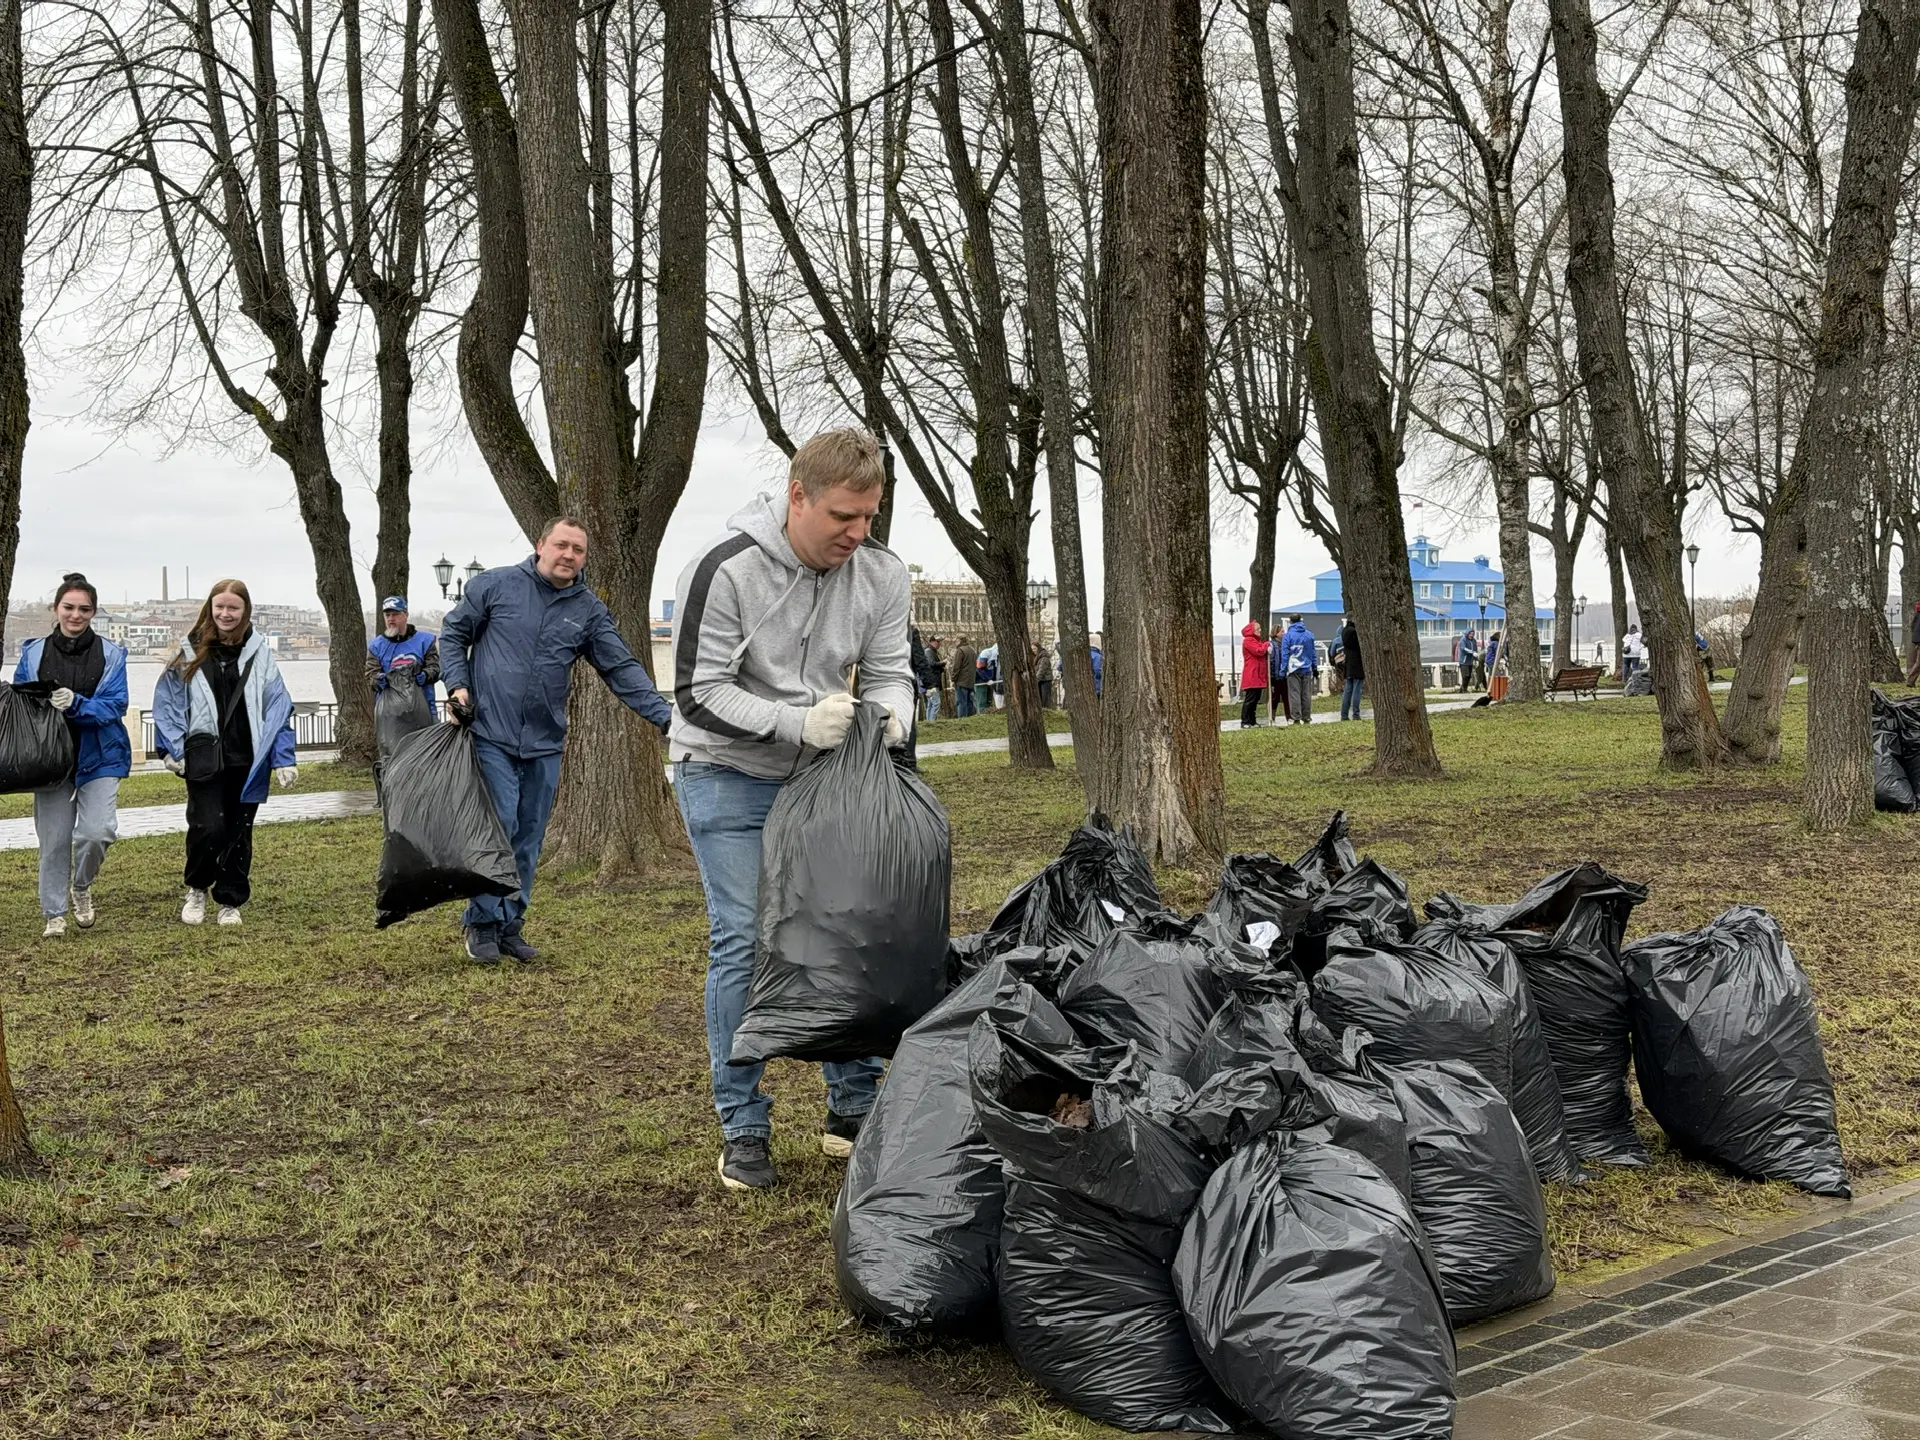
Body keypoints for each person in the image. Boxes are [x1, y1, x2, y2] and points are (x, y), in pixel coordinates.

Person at [670, 427, 913, 1193]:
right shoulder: (725, 568)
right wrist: (795, 722)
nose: (857, 532)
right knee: (748, 936)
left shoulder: (880, 574)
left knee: (843, 932)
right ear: (797, 496)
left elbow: (890, 671)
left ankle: (851, 1107)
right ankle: (743, 1125)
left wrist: (893, 714)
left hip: (825, 778)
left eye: (869, 516)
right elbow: (697, 692)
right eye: (843, 515)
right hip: (725, 772)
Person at [439, 516, 672, 965]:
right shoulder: (496, 586)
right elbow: (453, 634)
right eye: (562, 545)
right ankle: (481, 922)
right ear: (540, 545)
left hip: (544, 741)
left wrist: (665, 717)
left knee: (529, 837)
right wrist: (458, 685)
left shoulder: (587, 610)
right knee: (499, 826)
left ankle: (510, 925)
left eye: (578, 549)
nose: (569, 555)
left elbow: (621, 668)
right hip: (489, 732)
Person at [153, 580, 298, 928]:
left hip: (247, 759)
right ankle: (197, 887)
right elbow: (168, 704)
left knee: (238, 831)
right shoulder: (188, 652)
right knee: (207, 826)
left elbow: (277, 707)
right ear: (210, 607)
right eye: (220, 606)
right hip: (203, 757)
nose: (226, 614)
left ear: (245, 611)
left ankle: (230, 900)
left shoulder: (261, 654)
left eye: (233, 607)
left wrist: (284, 758)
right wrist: (169, 748)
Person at [16, 573, 130, 937]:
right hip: (49, 760)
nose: (76, 615)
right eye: (69, 607)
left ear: (93, 612)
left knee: (98, 832)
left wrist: (76, 703)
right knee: (53, 842)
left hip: (101, 755)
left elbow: (115, 705)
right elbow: (21, 702)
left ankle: (81, 886)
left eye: (84, 609)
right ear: (56, 609)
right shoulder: (33, 653)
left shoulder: (112, 654)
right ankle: (54, 913)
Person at [366, 595, 440, 782]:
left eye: (395, 614)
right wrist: (378, 680)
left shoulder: (425, 641)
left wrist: (425, 675)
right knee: (392, 762)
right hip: (390, 718)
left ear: (405, 615)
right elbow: (370, 675)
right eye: (387, 615)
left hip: (423, 712)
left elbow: (435, 668)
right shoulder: (376, 646)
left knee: (427, 760)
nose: (391, 619)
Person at [1277, 615, 1318, 724]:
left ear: (1290, 622)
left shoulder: (1288, 636)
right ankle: (1306, 716)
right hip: (1306, 667)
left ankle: (1296, 717)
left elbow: (1285, 655)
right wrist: (1315, 667)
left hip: (1293, 668)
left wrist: (1282, 670)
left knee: (1294, 693)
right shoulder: (1309, 635)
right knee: (1306, 694)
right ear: (1301, 620)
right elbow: (1313, 653)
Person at [1239, 619, 1268, 727]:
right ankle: (1245, 721)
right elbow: (1258, 651)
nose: (1260, 630)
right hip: (1252, 674)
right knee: (1250, 699)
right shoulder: (1248, 641)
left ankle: (1252, 720)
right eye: (1258, 629)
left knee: (1255, 699)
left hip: (1257, 675)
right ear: (1252, 630)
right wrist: (1266, 644)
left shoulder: (1256, 641)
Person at [1338, 614, 1365, 721]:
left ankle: (1344, 714)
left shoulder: (1344, 631)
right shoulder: (1355, 632)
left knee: (1348, 689)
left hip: (1349, 662)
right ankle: (1356, 714)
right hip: (1357, 662)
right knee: (1357, 689)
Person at [951, 636, 978, 717]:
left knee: (961, 702)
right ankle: (970, 718)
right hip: (971, 680)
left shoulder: (960, 651)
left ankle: (962, 720)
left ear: (960, 640)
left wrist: (953, 679)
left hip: (961, 681)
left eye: (956, 640)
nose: (955, 641)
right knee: (970, 701)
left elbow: (956, 667)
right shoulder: (972, 650)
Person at [1455, 628, 1480, 693]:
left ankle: (1463, 688)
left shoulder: (1474, 641)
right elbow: (1463, 649)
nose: (1471, 635)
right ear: (1467, 633)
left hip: (1470, 661)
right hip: (1464, 661)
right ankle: (1464, 689)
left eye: (1473, 634)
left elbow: (1475, 650)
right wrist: (1472, 652)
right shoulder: (1463, 640)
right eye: (1470, 634)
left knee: (1469, 676)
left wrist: (1476, 659)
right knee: (1465, 675)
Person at [1908, 602, 1920, 686]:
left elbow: (1913, 627)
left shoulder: (1917, 615)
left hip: (1918, 641)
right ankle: (1910, 681)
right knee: (1919, 663)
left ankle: (1911, 681)